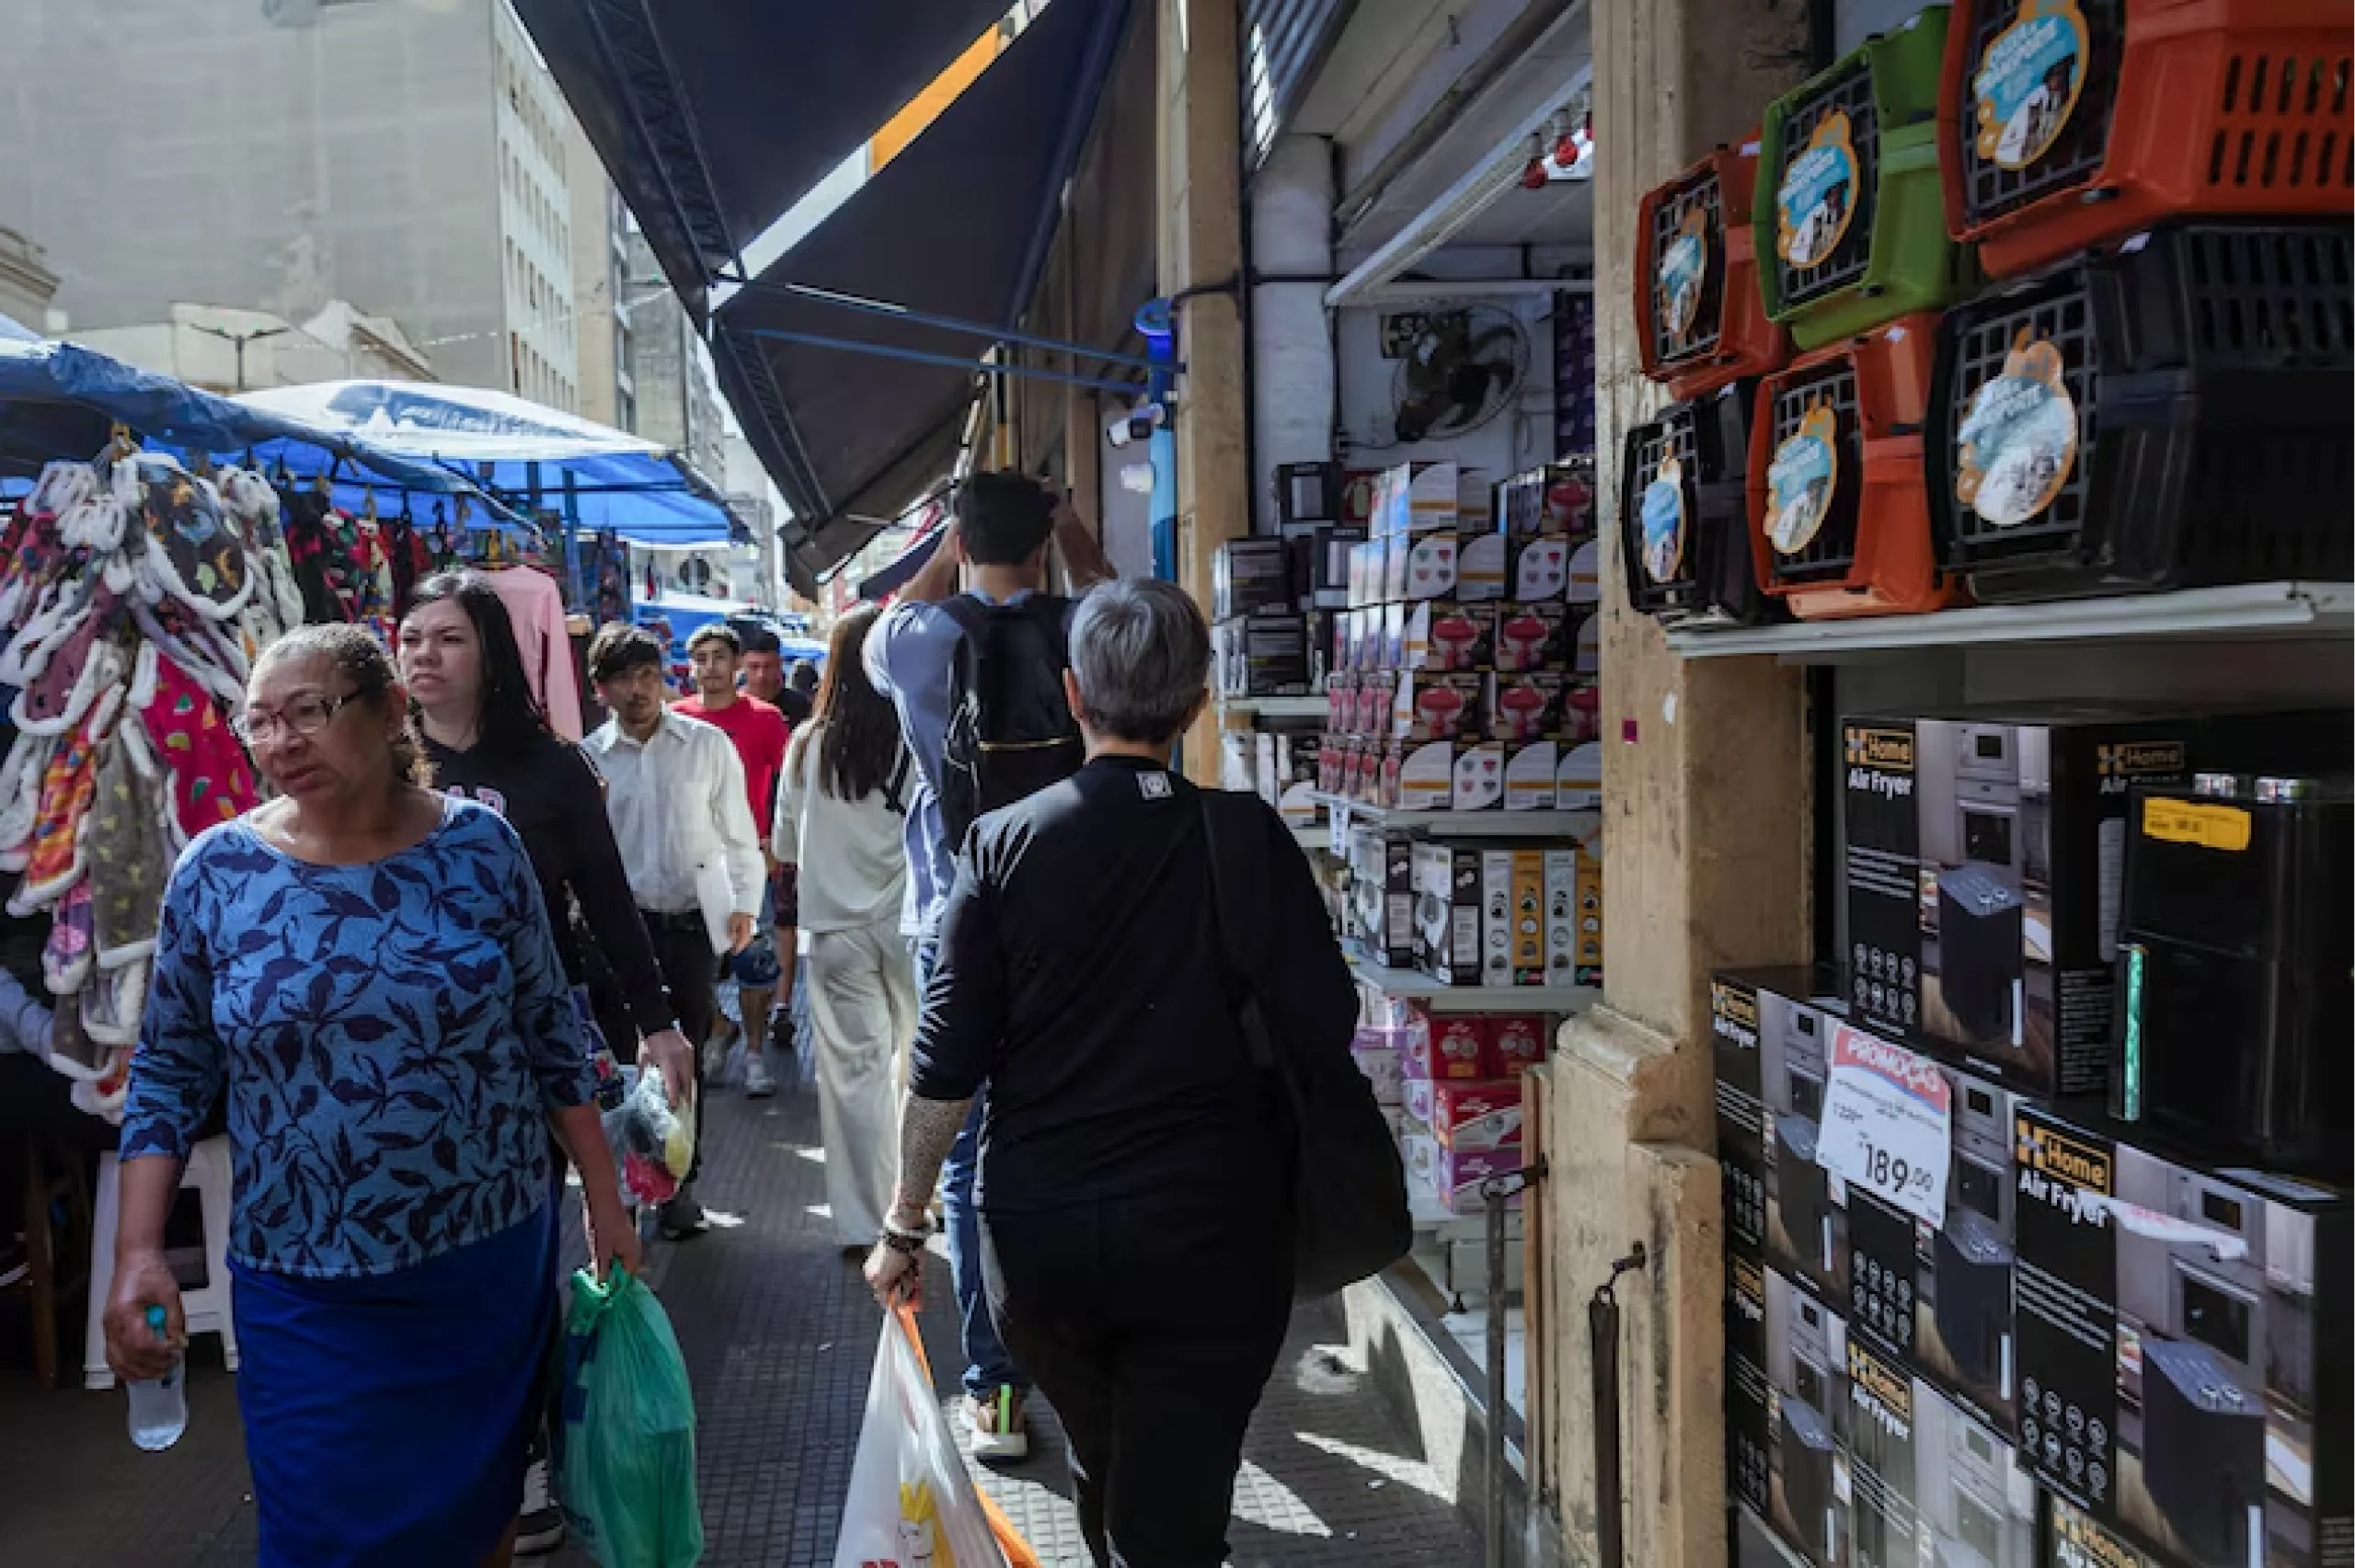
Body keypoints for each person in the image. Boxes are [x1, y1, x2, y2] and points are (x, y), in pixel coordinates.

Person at [109, 624, 638, 1568]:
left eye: (308, 712)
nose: (280, 743)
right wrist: (138, 1253)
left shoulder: (481, 847)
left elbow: (549, 1029)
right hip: (302, 1275)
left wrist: (603, 1197)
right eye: (260, 722)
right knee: (321, 1528)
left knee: (477, 1520)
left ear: (391, 709)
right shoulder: (217, 873)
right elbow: (167, 1070)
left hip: (481, 1258)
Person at [866, 580, 1354, 1567]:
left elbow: (946, 1064)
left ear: (1072, 693)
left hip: (1043, 1243)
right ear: (1197, 702)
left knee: (1114, 1465)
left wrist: (904, 1223)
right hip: (1215, 1233)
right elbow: (1328, 1017)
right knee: (1175, 1493)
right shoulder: (1247, 834)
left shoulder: (1000, 842)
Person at [396, 570, 697, 1556]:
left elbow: (607, 901)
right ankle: (446, 1443)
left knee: (519, 1251)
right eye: (409, 636)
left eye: (446, 637)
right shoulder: (377, 768)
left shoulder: (552, 768)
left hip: (529, 1049)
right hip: (398, 1063)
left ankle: (522, 1449)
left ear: (489, 651)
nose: (422, 654)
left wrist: (657, 1022)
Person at [866, 471, 1114, 1460]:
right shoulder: (1090, 625)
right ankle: (1094, 1357)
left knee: (967, 1160)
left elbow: (894, 617)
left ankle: (996, 1391)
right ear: (1046, 536)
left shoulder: (922, 640)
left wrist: (945, 542)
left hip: (958, 915)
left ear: (963, 536)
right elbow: (1123, 597)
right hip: (1084, 915)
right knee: (1088, 1123)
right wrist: (1074, 531)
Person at [584, 623, 765, 1241]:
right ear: (600, 689)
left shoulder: (707, 745)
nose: (638, 690)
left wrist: (744, 907)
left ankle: (679, 1186)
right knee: (621, 1065)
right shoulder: (587, 758)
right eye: (623, 679)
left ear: (663, 680)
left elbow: (739, 834)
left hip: (688, 927)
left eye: (647, 675)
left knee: (681, 1059)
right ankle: (630, 1188)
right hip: (615, 937)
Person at [772, 607, 916, 1254]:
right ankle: (921, 1199)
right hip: (909, 920)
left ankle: (864, 1223)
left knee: (853, 1074)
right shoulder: (918, 734)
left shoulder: (807, 743)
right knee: (919, 1062)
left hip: (834, 928)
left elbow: (784, 843)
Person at [676, 624, 793, 1098]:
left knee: (754, 963)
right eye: (700, 659)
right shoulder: (676, 718)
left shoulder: (766, 719)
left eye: (719, 657)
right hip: (692, 862)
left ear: (737, 663)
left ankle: (754, 1055)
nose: (710, 668)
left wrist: (775, 845)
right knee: (689, 962)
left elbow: (789, 788)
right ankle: (719, 1027)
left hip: (749, 861)